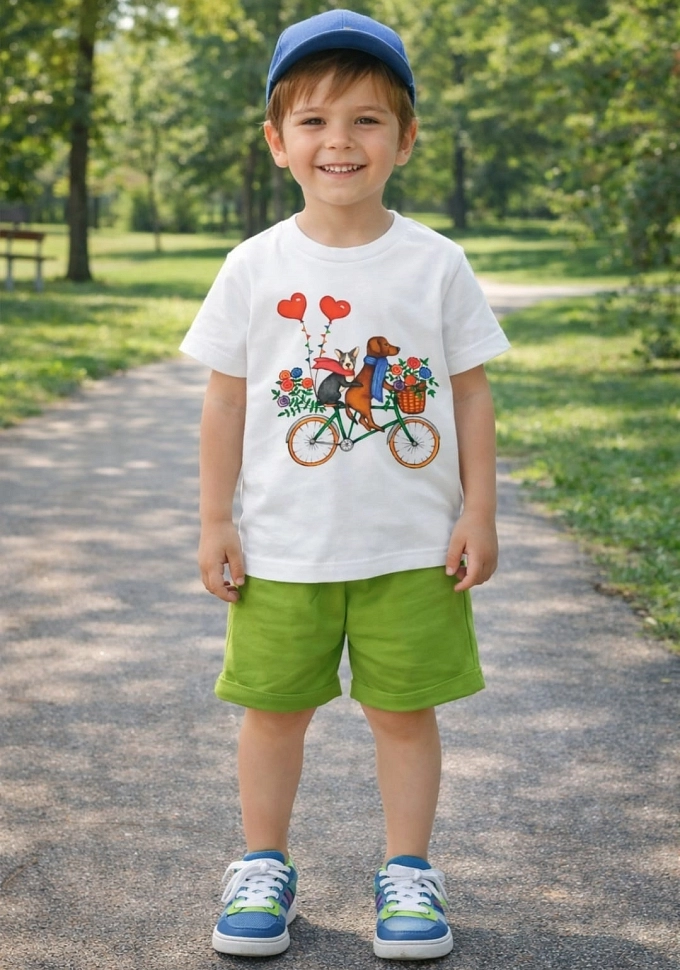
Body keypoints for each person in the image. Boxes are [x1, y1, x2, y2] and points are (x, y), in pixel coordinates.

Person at [180, 8, 510, 961]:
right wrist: (215, 520)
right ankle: (262, 864)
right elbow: (226, 406)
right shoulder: (254, 266)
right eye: (316, 120)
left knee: (404, 715)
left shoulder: (436, 263)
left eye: (367, 120)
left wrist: (479, 510)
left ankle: (408, 872)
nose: (341, 140)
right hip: (283, 545)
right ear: (278, 142)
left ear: (404, 139)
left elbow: (473, 395)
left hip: (411, 544)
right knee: (272, 712)